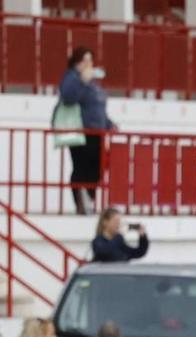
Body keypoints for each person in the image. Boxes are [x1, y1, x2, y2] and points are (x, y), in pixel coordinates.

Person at [57, 48, 112, 217]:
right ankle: (81, 201)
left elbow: (98, 107)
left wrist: (109, 124)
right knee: (82, 167)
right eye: (84, 61)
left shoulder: (93, 83)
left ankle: (89, 197)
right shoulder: (72, 77)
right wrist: (81, 80)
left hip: (97, 132)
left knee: (97, 168)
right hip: (81, 131)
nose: (88, 65)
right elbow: (68, 97)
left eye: (90, 61)